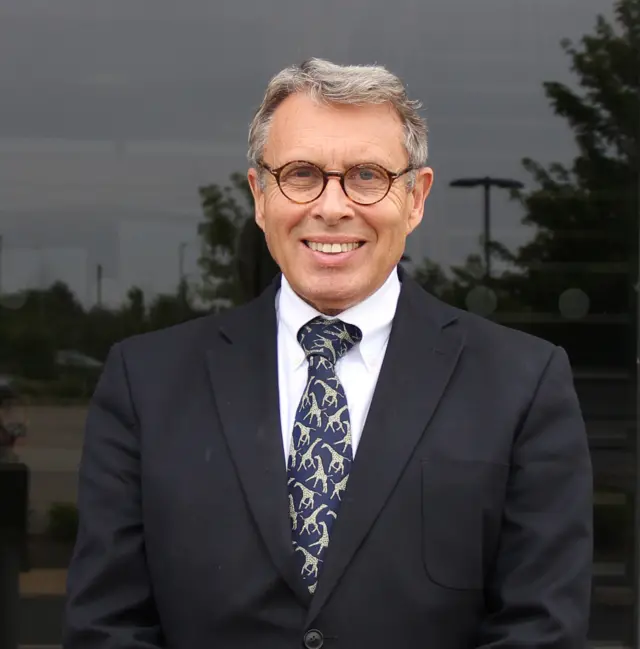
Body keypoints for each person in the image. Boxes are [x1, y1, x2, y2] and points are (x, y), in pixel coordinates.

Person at [64, 58, 592, 649]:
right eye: (302, 174)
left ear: (415, 198)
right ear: (260, 197)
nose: (333, 206)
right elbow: (106, 628)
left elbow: (540, 630)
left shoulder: (524, 383)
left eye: (367, 175)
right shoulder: (146, 384)